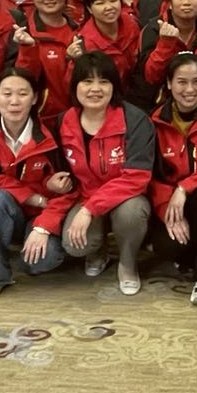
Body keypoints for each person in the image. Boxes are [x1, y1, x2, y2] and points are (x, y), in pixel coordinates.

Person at [0, 67, 74, 303]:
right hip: (8, 207)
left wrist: (42, 227)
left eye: (23, 94)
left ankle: (23, 255)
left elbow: (68, 191)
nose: (14, 101)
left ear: (34, 98)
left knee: (44, 260)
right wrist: (33, 197)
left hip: (40, 214)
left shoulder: (50, 134)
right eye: (7, 94)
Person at [58, 51, 155, 296]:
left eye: (103, 81)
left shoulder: (135, 120)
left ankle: (127, 264)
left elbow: (136, 177)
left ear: (114, 86)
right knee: (73, 244)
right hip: (85, 196)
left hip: (126, 198)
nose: (95, 89)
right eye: (87, 81)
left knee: (132, 213)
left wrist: (89, 210)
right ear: (75, 86)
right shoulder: (64, 121)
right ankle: (97, 250)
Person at [148, 53, 197, 306]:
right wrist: (167, 210)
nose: (190, 90)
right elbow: (151, 175)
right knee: (168, 246)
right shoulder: (153, 121)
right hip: (170, 203)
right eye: (182, 82)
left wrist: (184, 188)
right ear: (169, 83)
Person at [15, 0, 79, 127]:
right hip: (40, 120)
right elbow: (22, 81)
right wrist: (28, 48)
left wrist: (74, 61)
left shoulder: (79, 31)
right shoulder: (23, 33)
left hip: (77, 117)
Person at [139, 0, 197, 90]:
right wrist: (165, 44)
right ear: (169, 4)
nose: (186, 2)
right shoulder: (153, 29)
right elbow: (151, 77)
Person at [74, 0, 142, 94]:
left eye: (113, 0)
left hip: (138, 93)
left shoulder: (133, 24)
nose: (109, 7)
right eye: (100, 3)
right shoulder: (84, 43)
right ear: (89, 8)